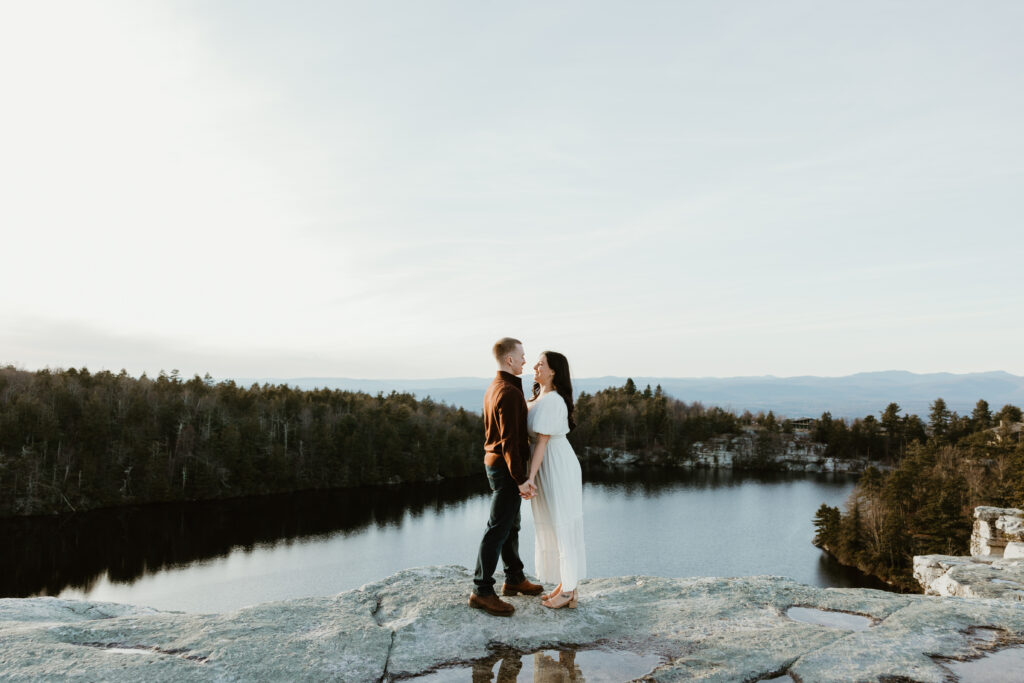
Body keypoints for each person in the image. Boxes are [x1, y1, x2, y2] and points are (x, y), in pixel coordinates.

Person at [469, 337, 545, 616]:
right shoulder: (509, 392)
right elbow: (510, 441)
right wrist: (521, 478)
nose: (525, 360)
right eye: (521, 355)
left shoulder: (496, 386)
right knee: (497, 529)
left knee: (510, 525)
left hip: (496, 465)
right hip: (505, 467)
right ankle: (481, 591)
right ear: (509, 359)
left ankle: (514, 578)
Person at [523, 351, 586, 609]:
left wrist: (529, 477)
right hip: (545, 463)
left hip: (556, 464)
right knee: (550, 523)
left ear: (553, 371)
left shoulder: (554, 401)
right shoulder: (538, 398)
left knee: (562, 522)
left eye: (541, 364)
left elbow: (542, 441)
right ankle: (565, 584)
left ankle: (569, 590)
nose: (535, 366)